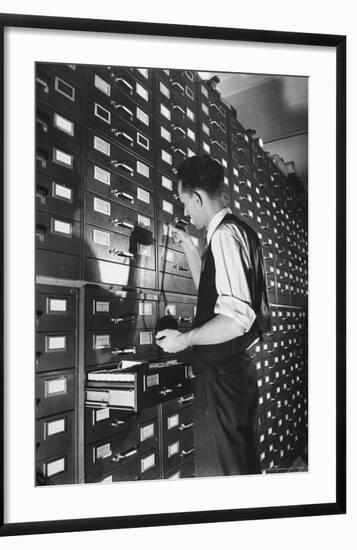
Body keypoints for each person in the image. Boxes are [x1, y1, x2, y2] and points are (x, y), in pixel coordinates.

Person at [155, 154, 271, 477]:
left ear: (198, 197)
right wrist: (190, 248)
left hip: (220, 383)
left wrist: (185, 339)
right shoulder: (242, 233)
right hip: (237, 375)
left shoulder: (223, 236)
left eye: (185, 202)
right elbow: (216, 294)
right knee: (240, 470)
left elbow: (235, 318)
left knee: (221, 480)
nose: (186, 211)